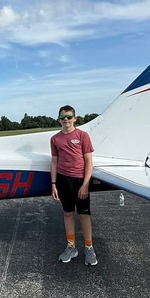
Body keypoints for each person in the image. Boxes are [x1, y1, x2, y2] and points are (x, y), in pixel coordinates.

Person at [50, 105, 97, 266]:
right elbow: (54, 162)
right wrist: (54, 184)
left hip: (80, 180)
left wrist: (85, 184)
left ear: (74, 118)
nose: (66, 120)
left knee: (84, 215)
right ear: (59, 119)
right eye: (63, 117)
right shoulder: (55, 139)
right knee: (68, 214)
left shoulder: (82, 136)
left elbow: (89, 161)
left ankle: (89, 248)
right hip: (63, 180)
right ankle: (71, 247)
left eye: (69, 117)